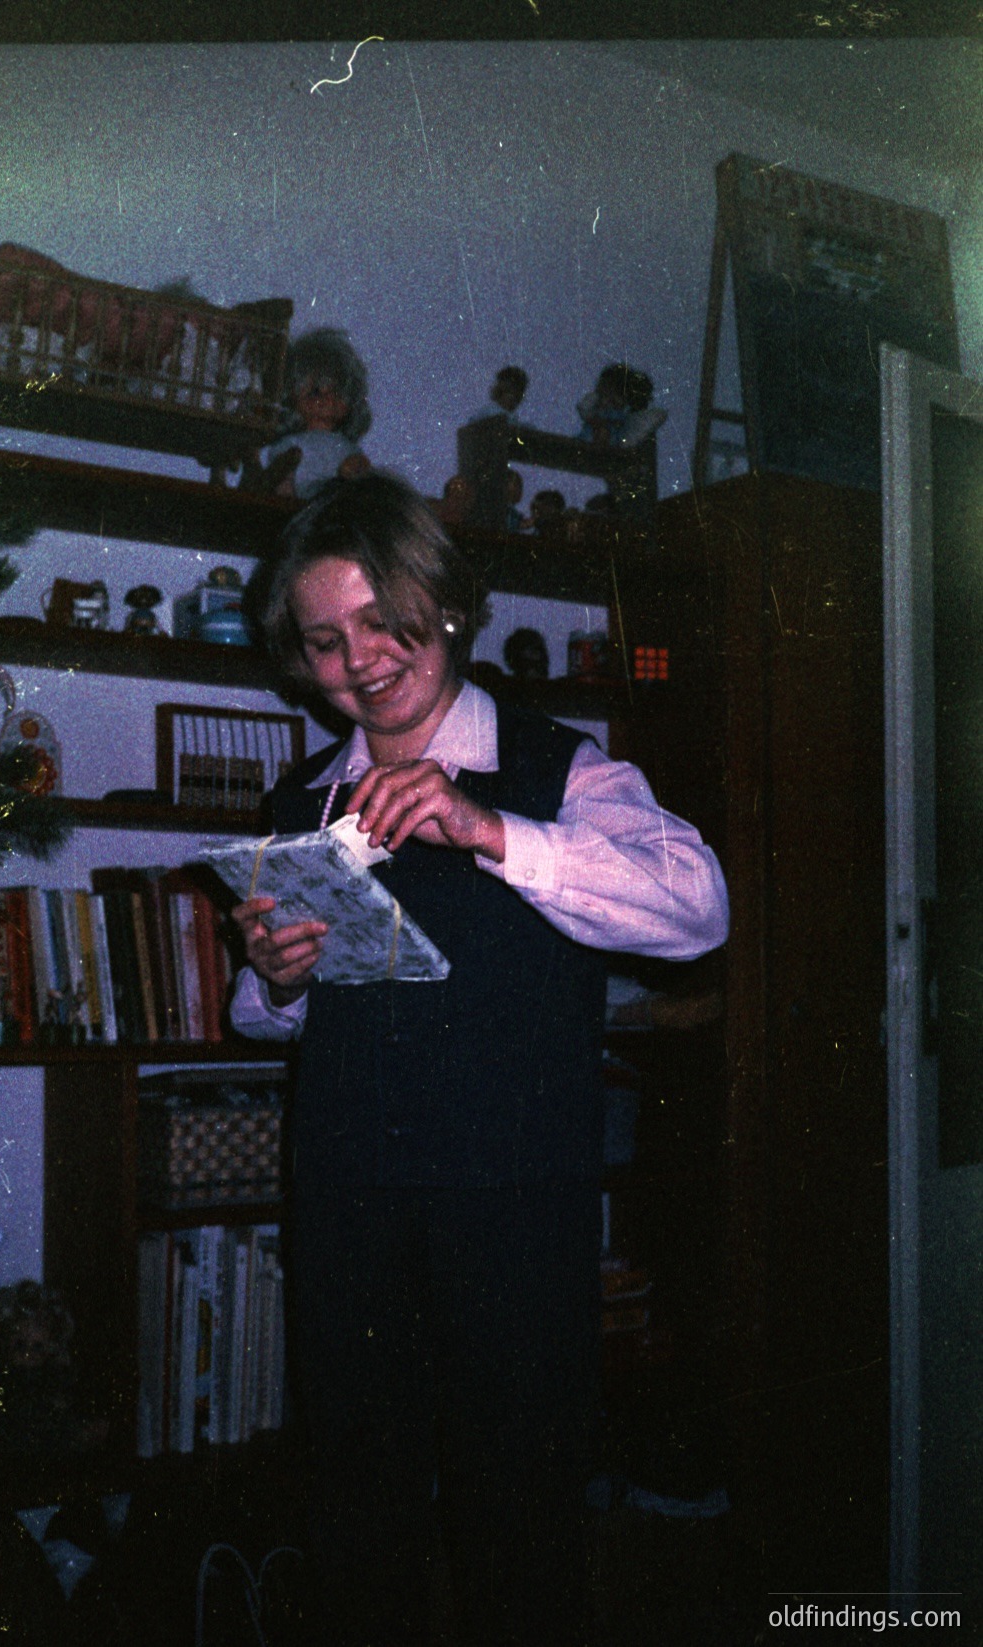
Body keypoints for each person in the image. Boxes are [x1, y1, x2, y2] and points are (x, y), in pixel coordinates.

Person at [231, 472, 728, 1647]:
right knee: (358, 1514)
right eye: (323, 641)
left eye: (380, 617)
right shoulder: (301, 798)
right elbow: (276, 1020)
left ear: (444, 604)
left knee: (522, 1523)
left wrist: (488, 826)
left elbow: (695, 908)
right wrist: (280, 975)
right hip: (347, 1203)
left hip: (515, 1210)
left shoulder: (564, 769)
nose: (359, 660)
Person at [246, 326, 372, 499]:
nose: (328, 400)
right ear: (291, 396)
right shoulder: (293, 443)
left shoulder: (348, 447)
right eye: (316, 392)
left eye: (338, 393)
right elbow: (280, 472)